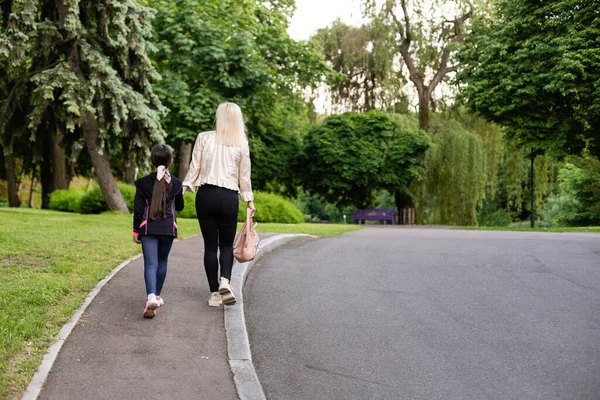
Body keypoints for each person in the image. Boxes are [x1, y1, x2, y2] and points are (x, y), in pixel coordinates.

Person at [183, 102, 256, 307]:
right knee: (226, 244)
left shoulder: (204, 137)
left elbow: (194, 168)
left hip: (206, 195)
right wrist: (249, 200)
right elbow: (245, 176)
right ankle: (225, 280)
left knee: (209, 246)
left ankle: (214, 293)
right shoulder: (241, 143)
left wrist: (186, 186)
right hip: (229, 198)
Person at [133, 144, 184, 318]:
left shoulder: (142, 183)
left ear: (152, 160)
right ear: (170, 161)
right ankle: (157, 296)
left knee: (150, 264)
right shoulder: (176, 183)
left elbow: (138, 210)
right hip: (168, 228)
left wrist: (135, 231)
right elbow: (181, 207)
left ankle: (151, 297)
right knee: (162, 262)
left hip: (148, 229)